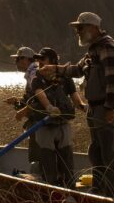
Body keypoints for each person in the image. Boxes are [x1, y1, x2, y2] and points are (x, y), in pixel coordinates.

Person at [39, 12, 114, 197]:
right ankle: (100, 192)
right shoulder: (93, 50)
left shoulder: (108, 47)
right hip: (95, 108)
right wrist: (55, 69)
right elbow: (77, 70)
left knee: (110, 154)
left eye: (80, 28)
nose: (77, 32)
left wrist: (110, 108)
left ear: (93, 28)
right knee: (96, 152)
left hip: (106, 108)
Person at [25, 47, 84, 187]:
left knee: (67, 157)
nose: (39, 62)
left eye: (42, 59)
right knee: (47, 159)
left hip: (63, 125)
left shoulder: (66, 78)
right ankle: (50, 187)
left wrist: (83, 106)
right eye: (37, 59)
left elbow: (75, 98)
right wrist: (49, 107)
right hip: (44, 126)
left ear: (52, 61)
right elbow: (41, 94)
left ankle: (69, 186)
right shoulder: (36, 79)